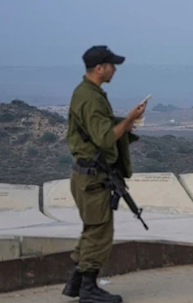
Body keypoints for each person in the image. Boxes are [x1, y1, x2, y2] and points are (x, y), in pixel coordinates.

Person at [61, 45, 146, 303]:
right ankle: (88, 289)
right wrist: (129, 119)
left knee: (93, 229)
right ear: (99, 68)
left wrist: (128, 122)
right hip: (92, 177)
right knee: (99, 232)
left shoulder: (90, 93)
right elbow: (105, 137)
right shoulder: (90, 97)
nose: (115, 69)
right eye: (111, 65)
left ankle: (77, 282)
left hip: (91, 175)